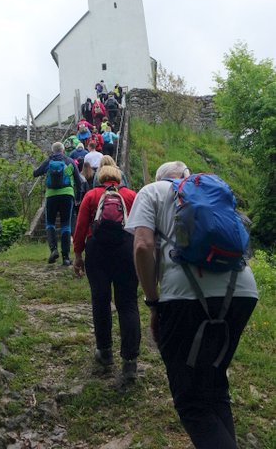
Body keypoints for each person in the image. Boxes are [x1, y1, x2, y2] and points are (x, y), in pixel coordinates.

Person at [125, 161, 258, 449]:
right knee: (215, 386)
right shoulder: (214, 189)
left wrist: (152, 301)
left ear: (160, 178)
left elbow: (142, 246)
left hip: (185, 297)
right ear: (186, 176)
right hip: (243, 290)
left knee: (191, 402)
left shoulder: (151, 191)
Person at [73, 164, 140, 383]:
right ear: (119, 178)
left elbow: (81, 227)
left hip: (97, 251)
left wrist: (78, 255)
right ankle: (130, 362)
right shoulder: (131, 196)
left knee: (100, 301)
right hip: (126, 251)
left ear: (99, 178)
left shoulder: (92, 195)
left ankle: (105, 351)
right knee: (128, 304)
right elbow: (141, 227)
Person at [33, 142, 82, 266]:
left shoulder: (48, 162)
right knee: (66, 225)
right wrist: (78, 197)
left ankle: (53, 250)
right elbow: (78, 181)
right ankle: (66, 257)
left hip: (51, 195)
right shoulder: (70, 161)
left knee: (50, 223)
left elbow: (36, 173)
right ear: (63, 150)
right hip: (67, 195)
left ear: (53, 151)